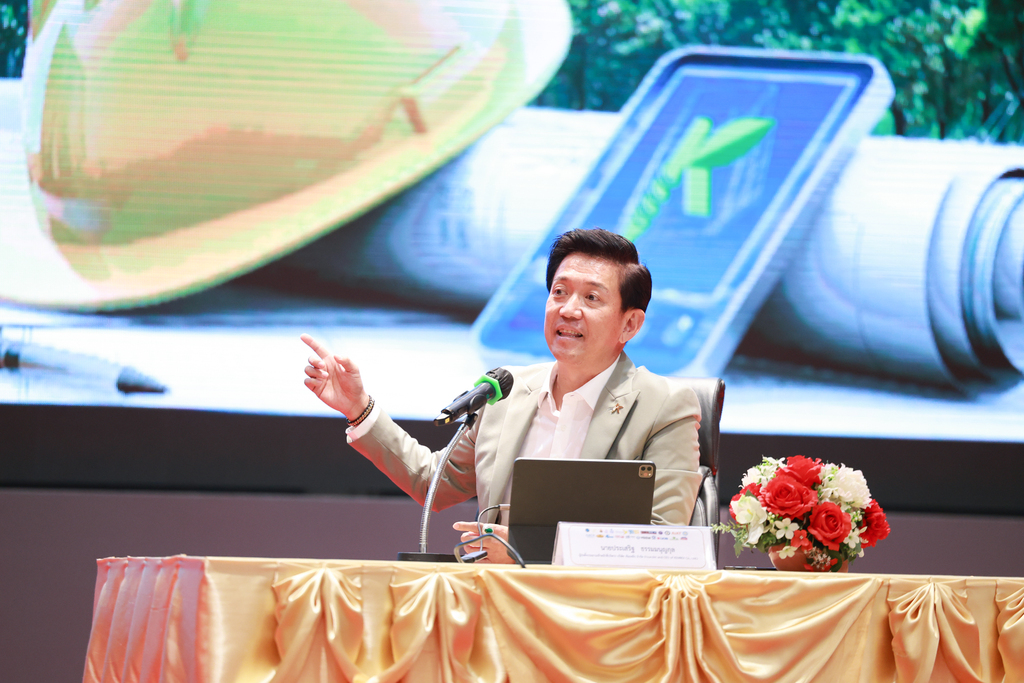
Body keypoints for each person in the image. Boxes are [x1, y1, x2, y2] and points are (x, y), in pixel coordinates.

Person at [302, 228, 702, 563]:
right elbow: (434, 482)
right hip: (494, 604)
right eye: (559, 292)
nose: (568, 309)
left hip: (598, 617)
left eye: (591, 298)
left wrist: (526, 550)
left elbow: (663, 543)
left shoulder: (663, 406)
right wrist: (359, 408)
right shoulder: (507, 391)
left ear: (630, 324)